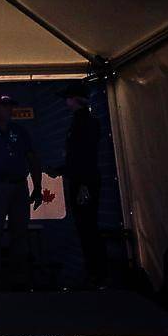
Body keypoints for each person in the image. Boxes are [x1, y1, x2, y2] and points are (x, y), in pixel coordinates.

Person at [0, 91, 41, 287]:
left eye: (10, 106)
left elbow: (32, 158)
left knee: (20, 232)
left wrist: (37, 186)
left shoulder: (19, 131)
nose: (9, 109)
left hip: (19, 185)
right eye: (5, 106)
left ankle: (20, 280)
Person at [61, 81, 107, 286]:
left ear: (74, 99)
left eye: (68, 98)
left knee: (87, 227)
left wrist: (83, 184)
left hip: (84, 180)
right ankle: (95, 271)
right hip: (82, 179)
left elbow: (85, 154)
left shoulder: (85, 122)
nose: (66, 102)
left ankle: (96, 273)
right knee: (85, 227)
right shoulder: (82, 121)